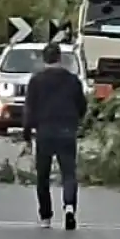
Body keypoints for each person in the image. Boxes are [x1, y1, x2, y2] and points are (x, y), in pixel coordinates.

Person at [22, 41, 87, 229]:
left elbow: (29, 110)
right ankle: (69, 207)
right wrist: (76, 121)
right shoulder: (73, 80)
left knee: (43, 175)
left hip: (45, 132)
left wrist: (27, 135)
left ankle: (45, 216)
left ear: (44, 59)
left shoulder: (36, 81)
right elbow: (82, 105)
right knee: (68, 173)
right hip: (67, 130)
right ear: (60, 58)